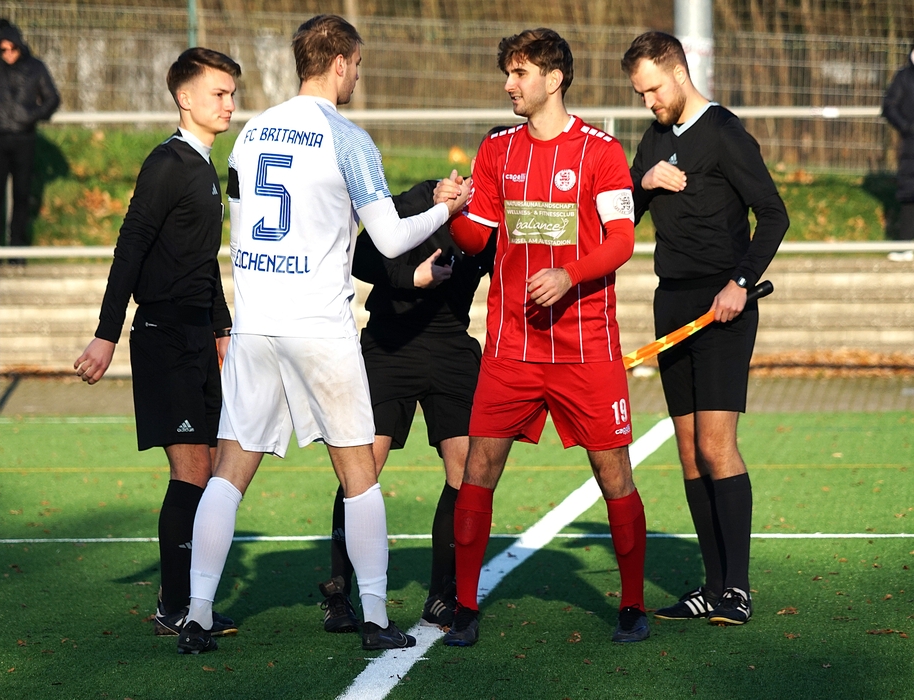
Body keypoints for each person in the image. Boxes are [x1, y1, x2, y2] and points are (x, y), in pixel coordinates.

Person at [178, 14, 470, 655]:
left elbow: (240, 221)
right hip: (318, 326)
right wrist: (444, 209)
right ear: (340, 63)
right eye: (357, 65)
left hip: (257, 323)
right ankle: (375, 618)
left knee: (228, 474)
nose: (357, 76)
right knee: (360, 474)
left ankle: (196, 617)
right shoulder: (347, 137)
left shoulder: (251, 132)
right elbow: (390, 239)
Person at [442, 27, 648, 647]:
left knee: (614, 474)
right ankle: (464, 605)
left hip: (587, 349)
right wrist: (454, 210)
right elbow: (476, 239)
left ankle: (631, 605)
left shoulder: (601, 151)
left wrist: (569, 274)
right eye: (508, 73)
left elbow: (622, 240)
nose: (510, 85)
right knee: (478, 469)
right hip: (512, 348)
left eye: (521, 73)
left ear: (554, 79)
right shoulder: (497, 150)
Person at [72, 48, 242, 640]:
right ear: (185, 99)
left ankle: (193, 602)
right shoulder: (167, 163)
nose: (229, 104)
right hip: (163, 336)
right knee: (192, 470)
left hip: (198, 335)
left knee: (212, 469)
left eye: (232, 93)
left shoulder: (206, 167)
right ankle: (176, 607)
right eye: (219, 93)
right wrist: (105, 334)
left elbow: (203, 262)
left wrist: (221, 329)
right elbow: (132, 246)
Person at [622, 31, 789, 626]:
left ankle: (737, 590)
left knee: (717, 447)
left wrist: (740, 283)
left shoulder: (723, 132)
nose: (649, 102)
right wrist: (643, 181)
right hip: (671, 304)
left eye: (653, 90)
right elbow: (621, 216)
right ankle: (713, 587)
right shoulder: (652, 139)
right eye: (640, 95)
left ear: (678, 72)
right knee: (690, 453)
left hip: (724, 307)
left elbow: (774, 214)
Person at [317, 177, 495, 634]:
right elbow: (359, 256)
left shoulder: (495, 219)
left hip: (451, 346)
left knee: (465, 470)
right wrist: (412, 276)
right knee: (363, 467)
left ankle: (442, 595)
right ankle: (339, 592)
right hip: (390, 345)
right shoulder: (419, 198)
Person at [0, 18, 60, 264]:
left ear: (20, 46)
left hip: (24, 140)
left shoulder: (36, 67)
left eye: (12, 48)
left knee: (22, 195)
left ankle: (17, 248)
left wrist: (32, 115)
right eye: (3, 49)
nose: (8, 53)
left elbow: (52, 99)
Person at [883, 41, 914, 261]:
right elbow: (889, 106)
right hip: (911, 145)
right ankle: (905, 245)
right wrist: (907, 127)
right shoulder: (904, 77)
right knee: (909, 193)